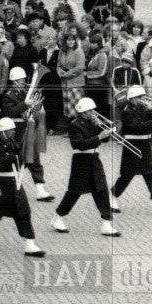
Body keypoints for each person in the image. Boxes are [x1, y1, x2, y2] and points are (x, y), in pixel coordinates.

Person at [0, 117, 47, 257]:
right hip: (1, 184)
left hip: (15, 183)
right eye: (10, 131)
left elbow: (24, 151)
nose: (13, 132)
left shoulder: (14, 143)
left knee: (23, 212)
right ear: (2, 132)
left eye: (13, 130)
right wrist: (15, 156)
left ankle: (29, 243)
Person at [50, 97, 119, 237]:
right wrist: (99, 136)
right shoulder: (75, 125)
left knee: (102, 190)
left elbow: (104, 139)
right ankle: (58, 217)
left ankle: (106, 223)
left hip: (94, 158)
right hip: (81, 161)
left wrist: (102, 128)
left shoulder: (92, 122)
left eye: (93, 110)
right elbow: (79, 144)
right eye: (90, 111)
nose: (93, 113)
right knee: (74, 192)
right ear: (82, 112)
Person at [108, 87, 152, 216]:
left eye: (143, 97)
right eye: (140, 97)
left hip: (145, 144)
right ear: (132, 98)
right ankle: (112, 197)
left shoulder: (145, 108)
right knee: (127, 175)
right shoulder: (127, 111)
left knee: (151, 173)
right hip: (132, 144)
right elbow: (136, 127)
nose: (143, 100)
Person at [0, 66, 54, 201]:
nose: (25, 81)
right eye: (22, 79)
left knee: (34, 158)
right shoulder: (8, 95)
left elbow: (31, 108)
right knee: (17, 161)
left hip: (28, 130)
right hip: (17, 131)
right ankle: (11, 189)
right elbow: (9, 113)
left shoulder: (25, 92)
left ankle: (40, 190)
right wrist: (25, 104)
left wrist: (36, 105)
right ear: (16, 81)